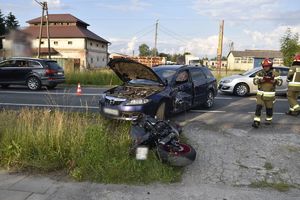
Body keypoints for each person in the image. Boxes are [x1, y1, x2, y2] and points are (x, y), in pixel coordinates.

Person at [252, 58, 283, 128]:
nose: (266, 68)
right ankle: (256, 121)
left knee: (269, 109)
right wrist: (260, 81)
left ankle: (268, 120)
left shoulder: (276, 74)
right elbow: (254, 81)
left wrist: (274, 82)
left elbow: (280, 82)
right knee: (258, 107)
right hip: (260, 95)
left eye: (267, 66)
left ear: (270, 66)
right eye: (264, 66)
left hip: (270, 95)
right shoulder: (259, 73)